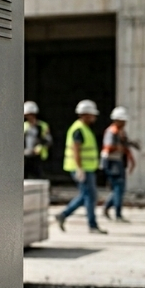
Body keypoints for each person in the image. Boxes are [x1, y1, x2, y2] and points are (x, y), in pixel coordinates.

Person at [55, 100, 106, 234]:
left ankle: (63, 214)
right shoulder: (79, 130)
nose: (94, 117)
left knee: (87, 195)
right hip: (81, 168)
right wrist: (79, 168)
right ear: (85, 115)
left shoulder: (84, 129)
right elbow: (76, 150)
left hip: (87, 168)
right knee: (89, 196)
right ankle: (92, 225)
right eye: (92, 115)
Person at [100, 106, 135, 222]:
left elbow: (125, 146)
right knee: (118, 188)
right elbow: (108, 147)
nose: (124, 123)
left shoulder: (121, 132)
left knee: (119, 188)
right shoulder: (112, 131)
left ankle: (107, 207)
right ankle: (117, 214)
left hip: (118, 162)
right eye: (122, 121)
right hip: (111, 162)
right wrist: (120, 147)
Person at [23, 101, 53, 179]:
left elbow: (48, 141)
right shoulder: (24, 126)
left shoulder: (43, 126)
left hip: (39, 157)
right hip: (26, 156)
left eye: (30, 115)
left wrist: (39, 148)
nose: (28, 117)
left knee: (39, 177)